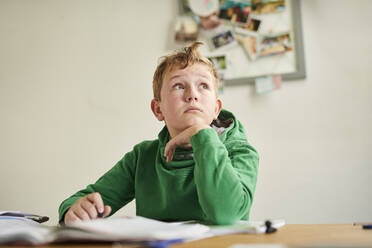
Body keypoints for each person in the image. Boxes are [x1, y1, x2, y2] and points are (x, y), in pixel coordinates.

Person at [58, 42, 259, 225]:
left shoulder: (240, 151)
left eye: (203, 86)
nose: (192, 95)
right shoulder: (142, 157)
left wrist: (202, 134)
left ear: (216, 109)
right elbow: (79, 200)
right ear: (158, 109)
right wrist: (73, 210)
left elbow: (226, 214)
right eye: (179, 86)